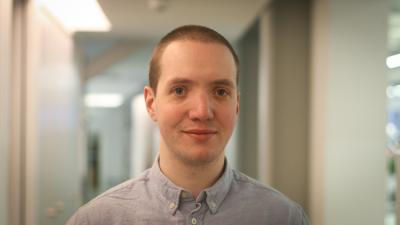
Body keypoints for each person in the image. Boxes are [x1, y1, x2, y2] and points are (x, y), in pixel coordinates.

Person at [67, 25, 309, 225]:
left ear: (236, 105)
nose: (202, 112)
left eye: (221, 91)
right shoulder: (96, 220)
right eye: (180, 90)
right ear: (151, 104)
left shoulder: (284, 218)